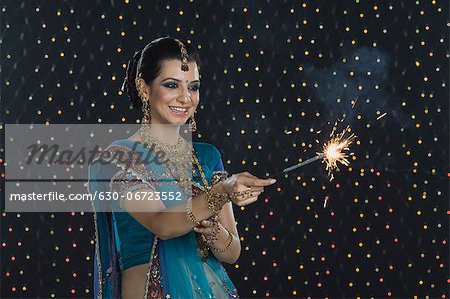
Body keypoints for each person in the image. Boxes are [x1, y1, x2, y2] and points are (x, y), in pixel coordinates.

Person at [88, 36, 276, 299]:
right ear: (144, 88)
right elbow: (162, 224)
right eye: (172, 85)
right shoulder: (120, 156)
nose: (186, 98)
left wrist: (214, 233)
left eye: (193, 87)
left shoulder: (207, 157)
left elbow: (232, 253)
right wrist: (220, 192)